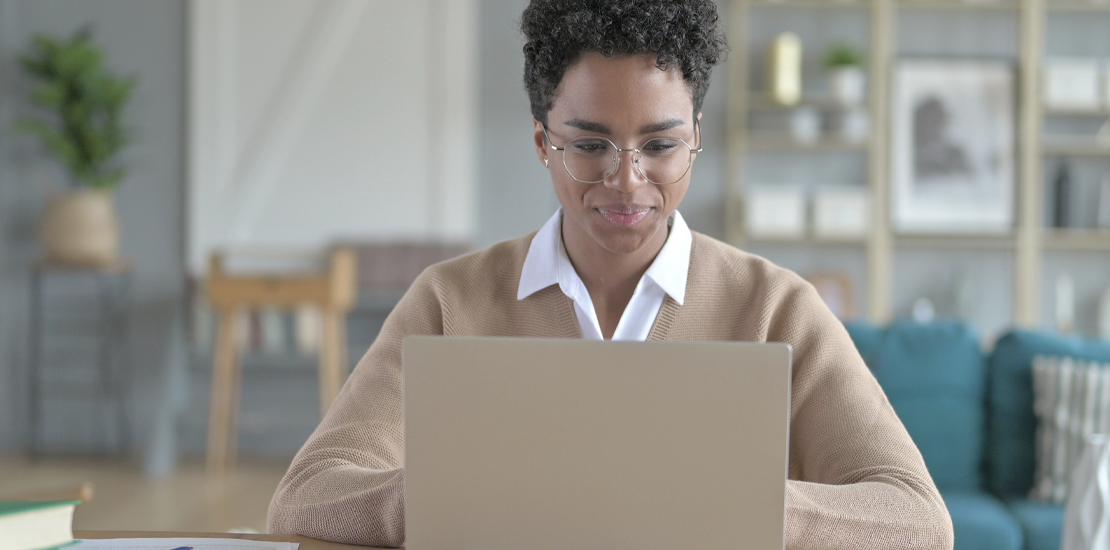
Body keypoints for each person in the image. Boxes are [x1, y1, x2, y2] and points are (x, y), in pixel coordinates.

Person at [267, 1, 954, 548]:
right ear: (542, 141)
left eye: (660, 145)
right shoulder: (451, 301)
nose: (627, 181)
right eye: (590, 144)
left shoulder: (776, 308)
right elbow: (305, 498)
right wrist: (468, 496)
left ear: (697, 137)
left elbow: (918, 519)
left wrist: (733, 510)